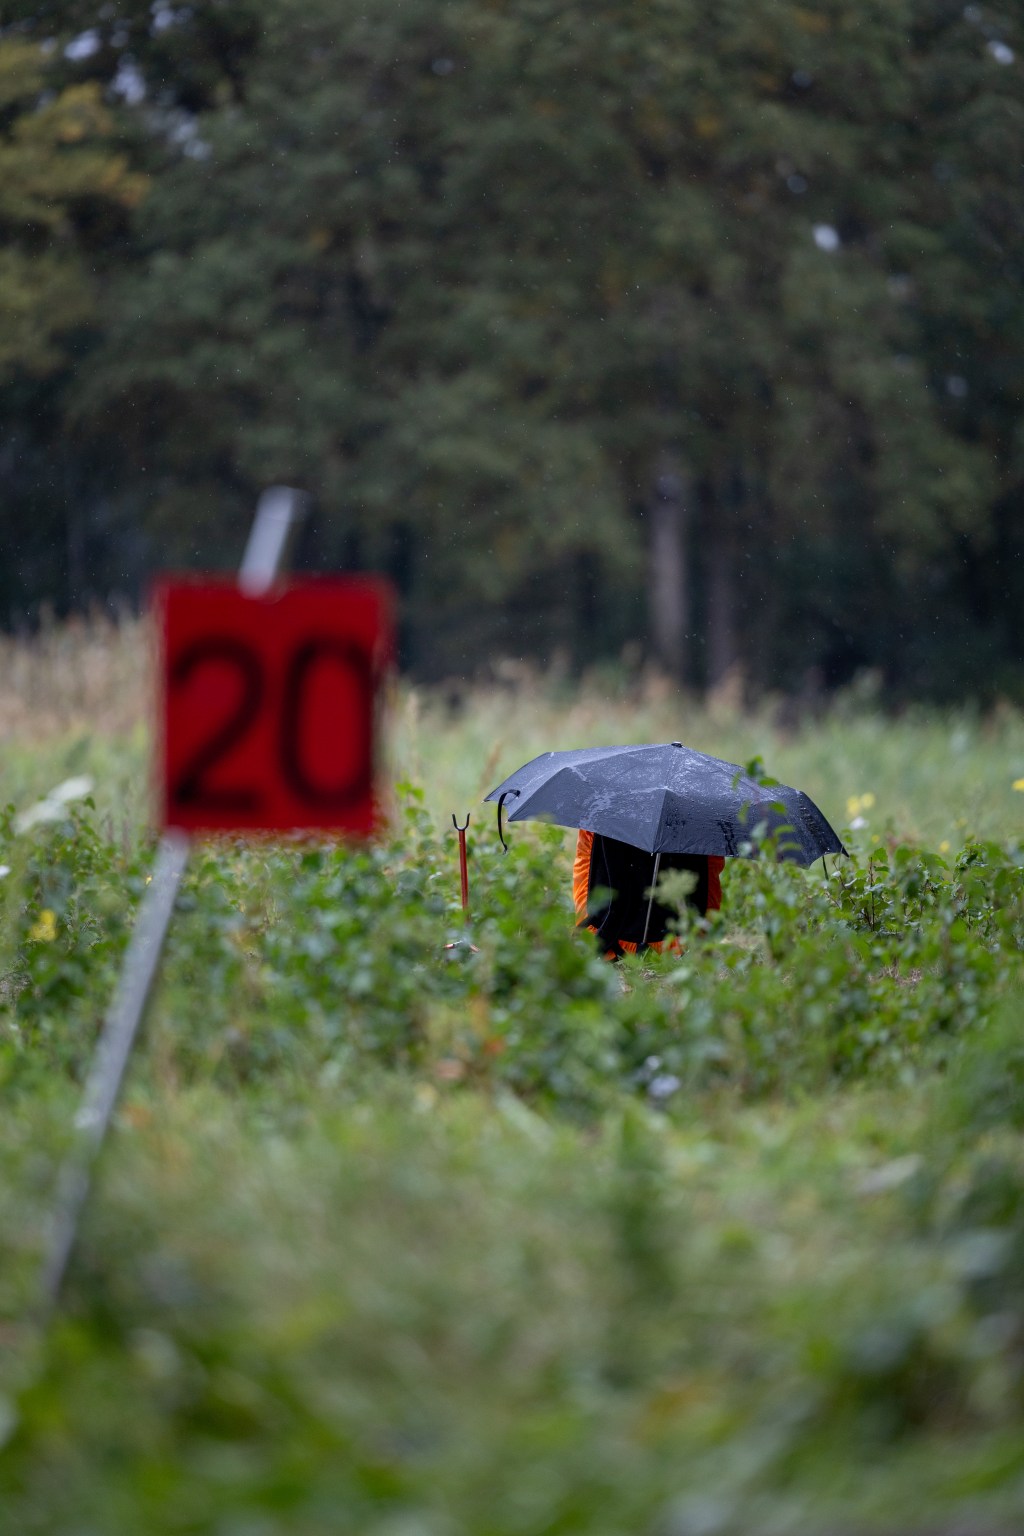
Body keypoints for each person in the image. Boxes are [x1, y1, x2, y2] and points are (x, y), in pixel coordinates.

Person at [573, 829, 724, 960]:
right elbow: (710, 874)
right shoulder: (702, 819)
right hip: (681, 943)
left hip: (604, 931)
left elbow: (586, 860)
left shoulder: (605, 804)